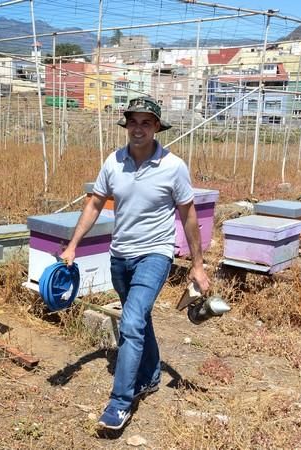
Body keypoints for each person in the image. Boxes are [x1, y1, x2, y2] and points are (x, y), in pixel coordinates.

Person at [59, 96, 210, 431]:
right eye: (133, 121)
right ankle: (150, 375)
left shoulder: (173, 166)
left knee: (130, 324)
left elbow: (188, 215)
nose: (138, 128)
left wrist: (198, 265)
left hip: (155, 254)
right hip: (120, 256)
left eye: (146, 122)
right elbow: (95, 203)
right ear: (125, 125)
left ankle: (120, 403)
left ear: (157, 127)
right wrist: (72, 247)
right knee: (137, 318)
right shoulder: (113, 162)